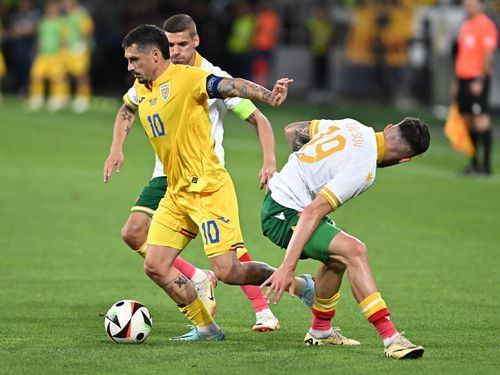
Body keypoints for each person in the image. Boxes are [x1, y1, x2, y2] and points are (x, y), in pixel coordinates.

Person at [114, 24, 315, 342]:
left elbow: (231, 86)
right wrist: (116, 147)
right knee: (154, 265)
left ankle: (300, 284)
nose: (129, 67)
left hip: (208, 189)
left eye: (134, 60)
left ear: (155, 55)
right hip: (176, 192)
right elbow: (127, 107)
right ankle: (207, 329)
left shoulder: (189, 78)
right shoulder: (143, 88)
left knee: (229, 271)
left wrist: (268, 96)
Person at [261, 117, 430, 359]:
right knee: (355, 250)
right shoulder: (365, 169)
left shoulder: (353, 125)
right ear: (405, 160)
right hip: (284, 213)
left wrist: (303, 170)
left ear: (390, 127)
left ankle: (320, 331)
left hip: (283, 203)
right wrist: (288, 267)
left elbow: (292, 131)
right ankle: (392, 339)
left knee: (338, 258)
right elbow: (312, 211)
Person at [453, 0, 497, 176]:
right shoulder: (466, 25)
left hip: (476, 79)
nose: (467, 5)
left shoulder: (486, 25)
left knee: (481, 120)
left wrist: (480, 79)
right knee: (468, 121)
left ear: (480, 5)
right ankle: (474, 163)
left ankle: (486, 166)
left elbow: (488, 55)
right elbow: (463, 55)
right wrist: (456, 82)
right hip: (463, 79)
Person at [27, 0, 68, 111]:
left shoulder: (62, 23)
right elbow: (39, 39)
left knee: (57, 78)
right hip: (43, 54)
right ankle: (37, 98)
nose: (51, 10)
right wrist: (36, 53)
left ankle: (58, 98)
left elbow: (64, 40)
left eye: (54, 8)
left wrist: (63, 55)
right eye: (50, 8)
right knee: (36, 75)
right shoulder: (43, 22)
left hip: (56, 55)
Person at [61, 0, 94, 113]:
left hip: (79, 48)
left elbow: (88, 30)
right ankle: (64, 97)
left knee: (81, 74)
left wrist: (83, 44)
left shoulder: (81, 14)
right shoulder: (66, 17)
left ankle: (83, 99)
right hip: (67, 50)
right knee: (65, 74)